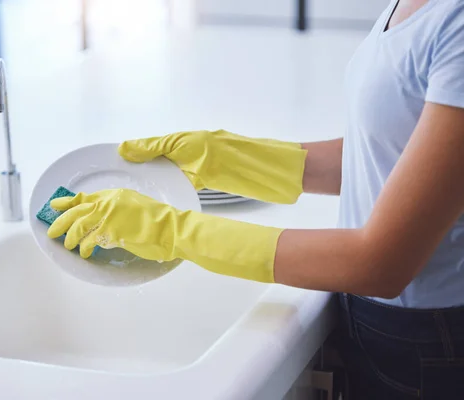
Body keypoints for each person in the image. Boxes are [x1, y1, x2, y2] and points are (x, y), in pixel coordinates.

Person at [46, 1, 464, 398]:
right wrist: (228, 157)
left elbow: (382, 263)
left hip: (424, 344)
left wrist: (173, 231)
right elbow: (390, 153)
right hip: (376, 324)